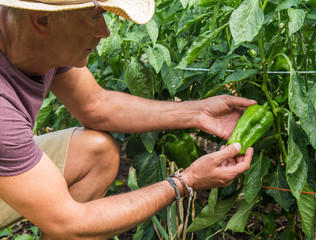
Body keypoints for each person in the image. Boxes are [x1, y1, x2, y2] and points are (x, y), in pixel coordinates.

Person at [0, 0, 256, 239]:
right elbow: (68, 221)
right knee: (65, 221)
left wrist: (198, 113)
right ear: (42, 20)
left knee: (96, 151)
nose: (104, 31)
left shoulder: (35, 40)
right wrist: (185, 181)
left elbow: (95, 105)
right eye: (94, 17)